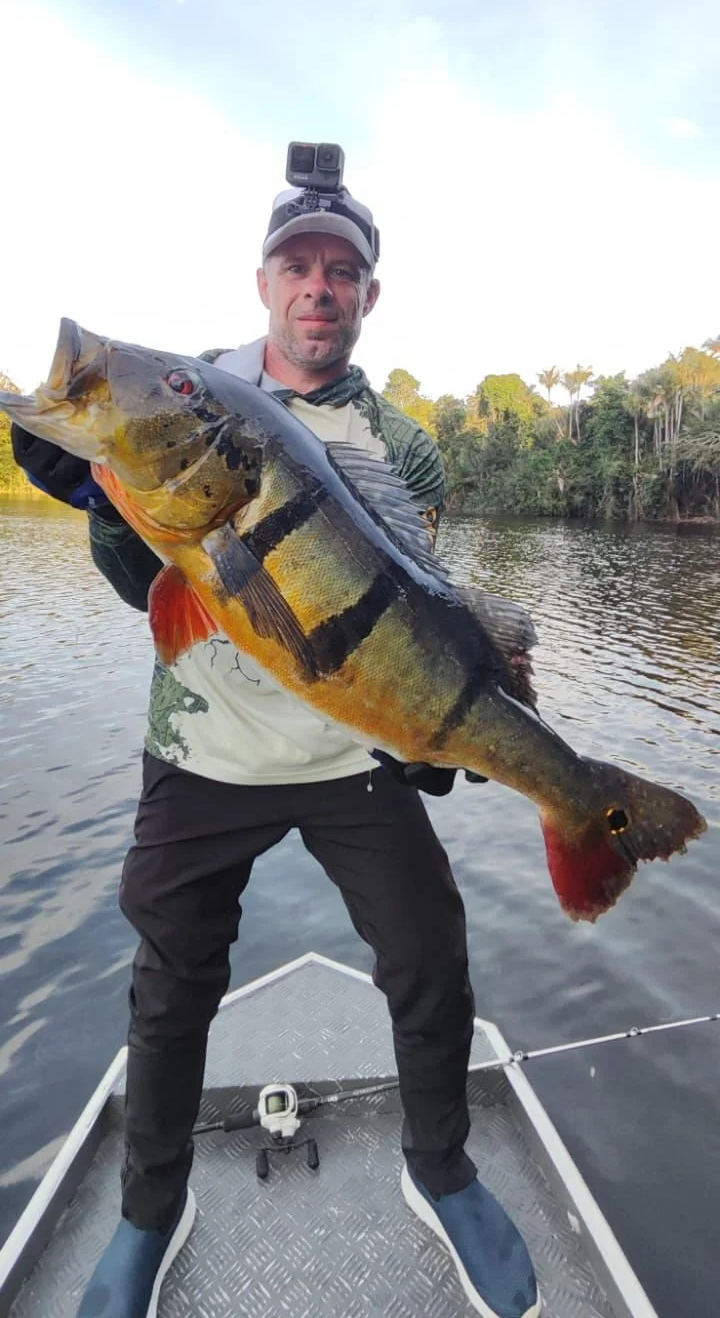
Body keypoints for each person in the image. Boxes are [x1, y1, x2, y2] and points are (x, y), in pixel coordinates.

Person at [12, 161, 539, 1318]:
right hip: (204, 747)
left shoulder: (405, 444)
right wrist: (104, 498)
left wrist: (432, 739)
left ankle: (440, 1167)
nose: (318, 288)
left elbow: (410, 612)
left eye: (340, 271)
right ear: (263, 282)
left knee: (431, 955)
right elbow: (148, 581)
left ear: (368, 296)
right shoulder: (194, 396)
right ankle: (152, 1208)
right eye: (298, 266)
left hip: (354, 753)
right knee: (169, 987)